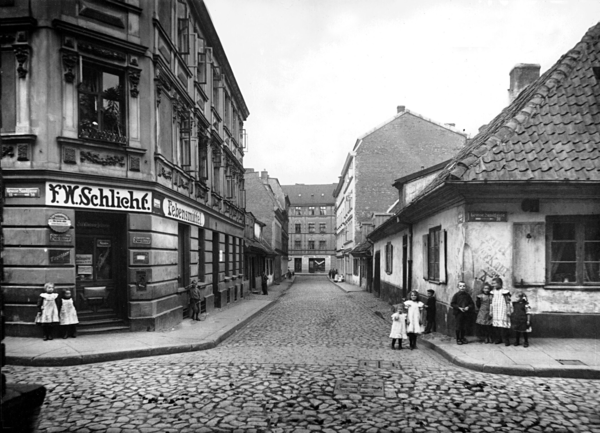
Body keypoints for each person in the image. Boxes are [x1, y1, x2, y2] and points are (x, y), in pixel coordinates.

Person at [490, 277, 512, 346]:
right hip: (495, 309)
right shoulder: (492, 292)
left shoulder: (505, 292)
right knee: (496, 326)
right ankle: (498, 339)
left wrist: (508, 310)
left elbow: (508, 302)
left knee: (504, 326)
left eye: (494, 283)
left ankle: (506, 340)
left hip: (503, 309)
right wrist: (491, 311)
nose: (493, 285)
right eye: (492, 283)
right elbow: (491, 302)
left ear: (499, 283)